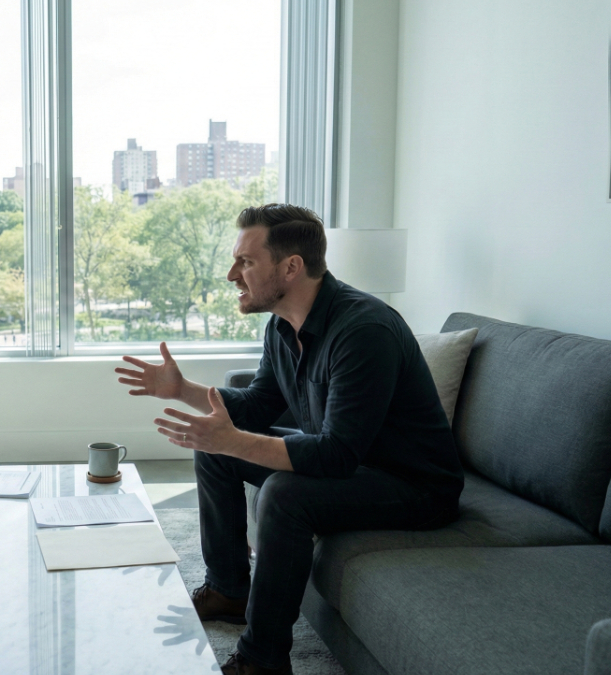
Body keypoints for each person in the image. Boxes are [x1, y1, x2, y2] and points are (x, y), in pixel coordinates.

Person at [115, 204, 463, 675]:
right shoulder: (281, 326)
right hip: (354, 464)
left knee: (284, 494)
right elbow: (258, 405)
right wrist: (183, 390)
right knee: (215, 452)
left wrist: (233, 441)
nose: (231, 275)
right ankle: (229, 591)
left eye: (245, 262)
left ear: (291, 267)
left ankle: (263, 661)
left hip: (414, 485)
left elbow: (337, 455)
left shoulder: (364, 330)